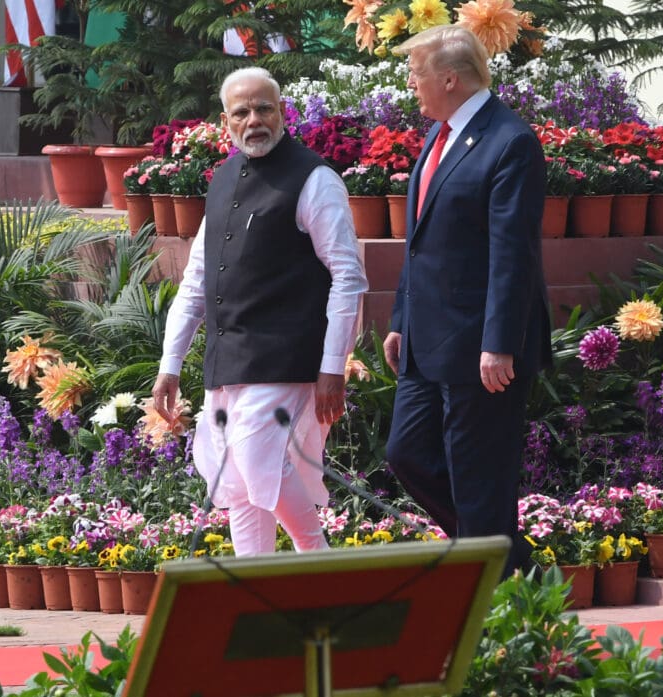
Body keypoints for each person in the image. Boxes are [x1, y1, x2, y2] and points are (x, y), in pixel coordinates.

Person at [151, 66, 368, 556]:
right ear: (226, 122)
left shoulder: (315, 178)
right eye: (242, 112)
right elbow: (196, 281)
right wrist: (171, 365)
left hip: (287, 360)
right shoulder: (223, 178)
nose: (254, 120)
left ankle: (322, 565)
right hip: (228, 364)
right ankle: (257, 598)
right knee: (238, 484)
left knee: (258, 463)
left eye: (264, 108)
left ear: (283, 113)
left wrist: (333, 366)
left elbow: (348, 277)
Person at [383, 25, 552, 574]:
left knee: (479, 477)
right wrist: (401, 318)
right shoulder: (441, 134)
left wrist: (500, 344)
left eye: (417, 73)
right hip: (426, 341)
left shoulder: (510, 141)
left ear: (449, 78)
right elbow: (422, 240)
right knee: (406, 454)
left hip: (482, 348)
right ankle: (509, 558)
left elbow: (513, 255)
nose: (411, 84)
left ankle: (496, 595)